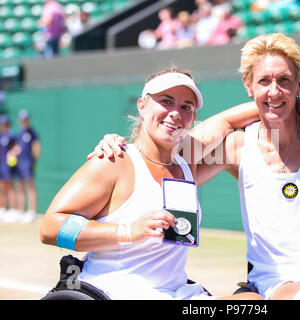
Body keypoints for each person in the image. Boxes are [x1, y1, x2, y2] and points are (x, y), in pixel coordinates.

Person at [94, 33, 300, 300]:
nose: (274, 90)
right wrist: (119, 147)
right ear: (247, 85)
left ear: (299, 84)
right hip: (275, 275)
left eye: (284, 81)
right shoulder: (236, 147)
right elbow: (170, 158)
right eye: (264, 81)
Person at [40, 67, 265, 300]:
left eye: (186, 107)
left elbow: (228, 121)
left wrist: (295, 105)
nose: (175, 113)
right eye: (166, 101)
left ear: (193, 118)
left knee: (251, 302)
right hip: (114, 291)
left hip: (176, 293)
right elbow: (50, 228)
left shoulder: (186, 160)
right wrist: (128, 231)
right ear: (142, 106)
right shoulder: (115, 160)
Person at [14, 109, 41, 224]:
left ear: (28, 119)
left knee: (30, 186)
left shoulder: (32, 132)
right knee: (20, 186)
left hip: (29, 162)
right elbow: (18, 147)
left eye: (26, 119)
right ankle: (21, 211)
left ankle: (31, 212)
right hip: (19, 162)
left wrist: (34, 161)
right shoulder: (19, 133)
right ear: (20, 120)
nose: (24, 121)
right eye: (22, 119)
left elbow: (36, 148)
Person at [0, 114, 19, 223]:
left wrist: (12, 153)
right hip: (1, 164)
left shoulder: (11, 135)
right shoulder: (1, 135)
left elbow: (17, 147)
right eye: (2, 123)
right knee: (1, 187)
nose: (4, 125)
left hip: (8, 165)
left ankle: (13, 210)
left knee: (10, 187)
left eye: (6, 123)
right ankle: (2, 209)